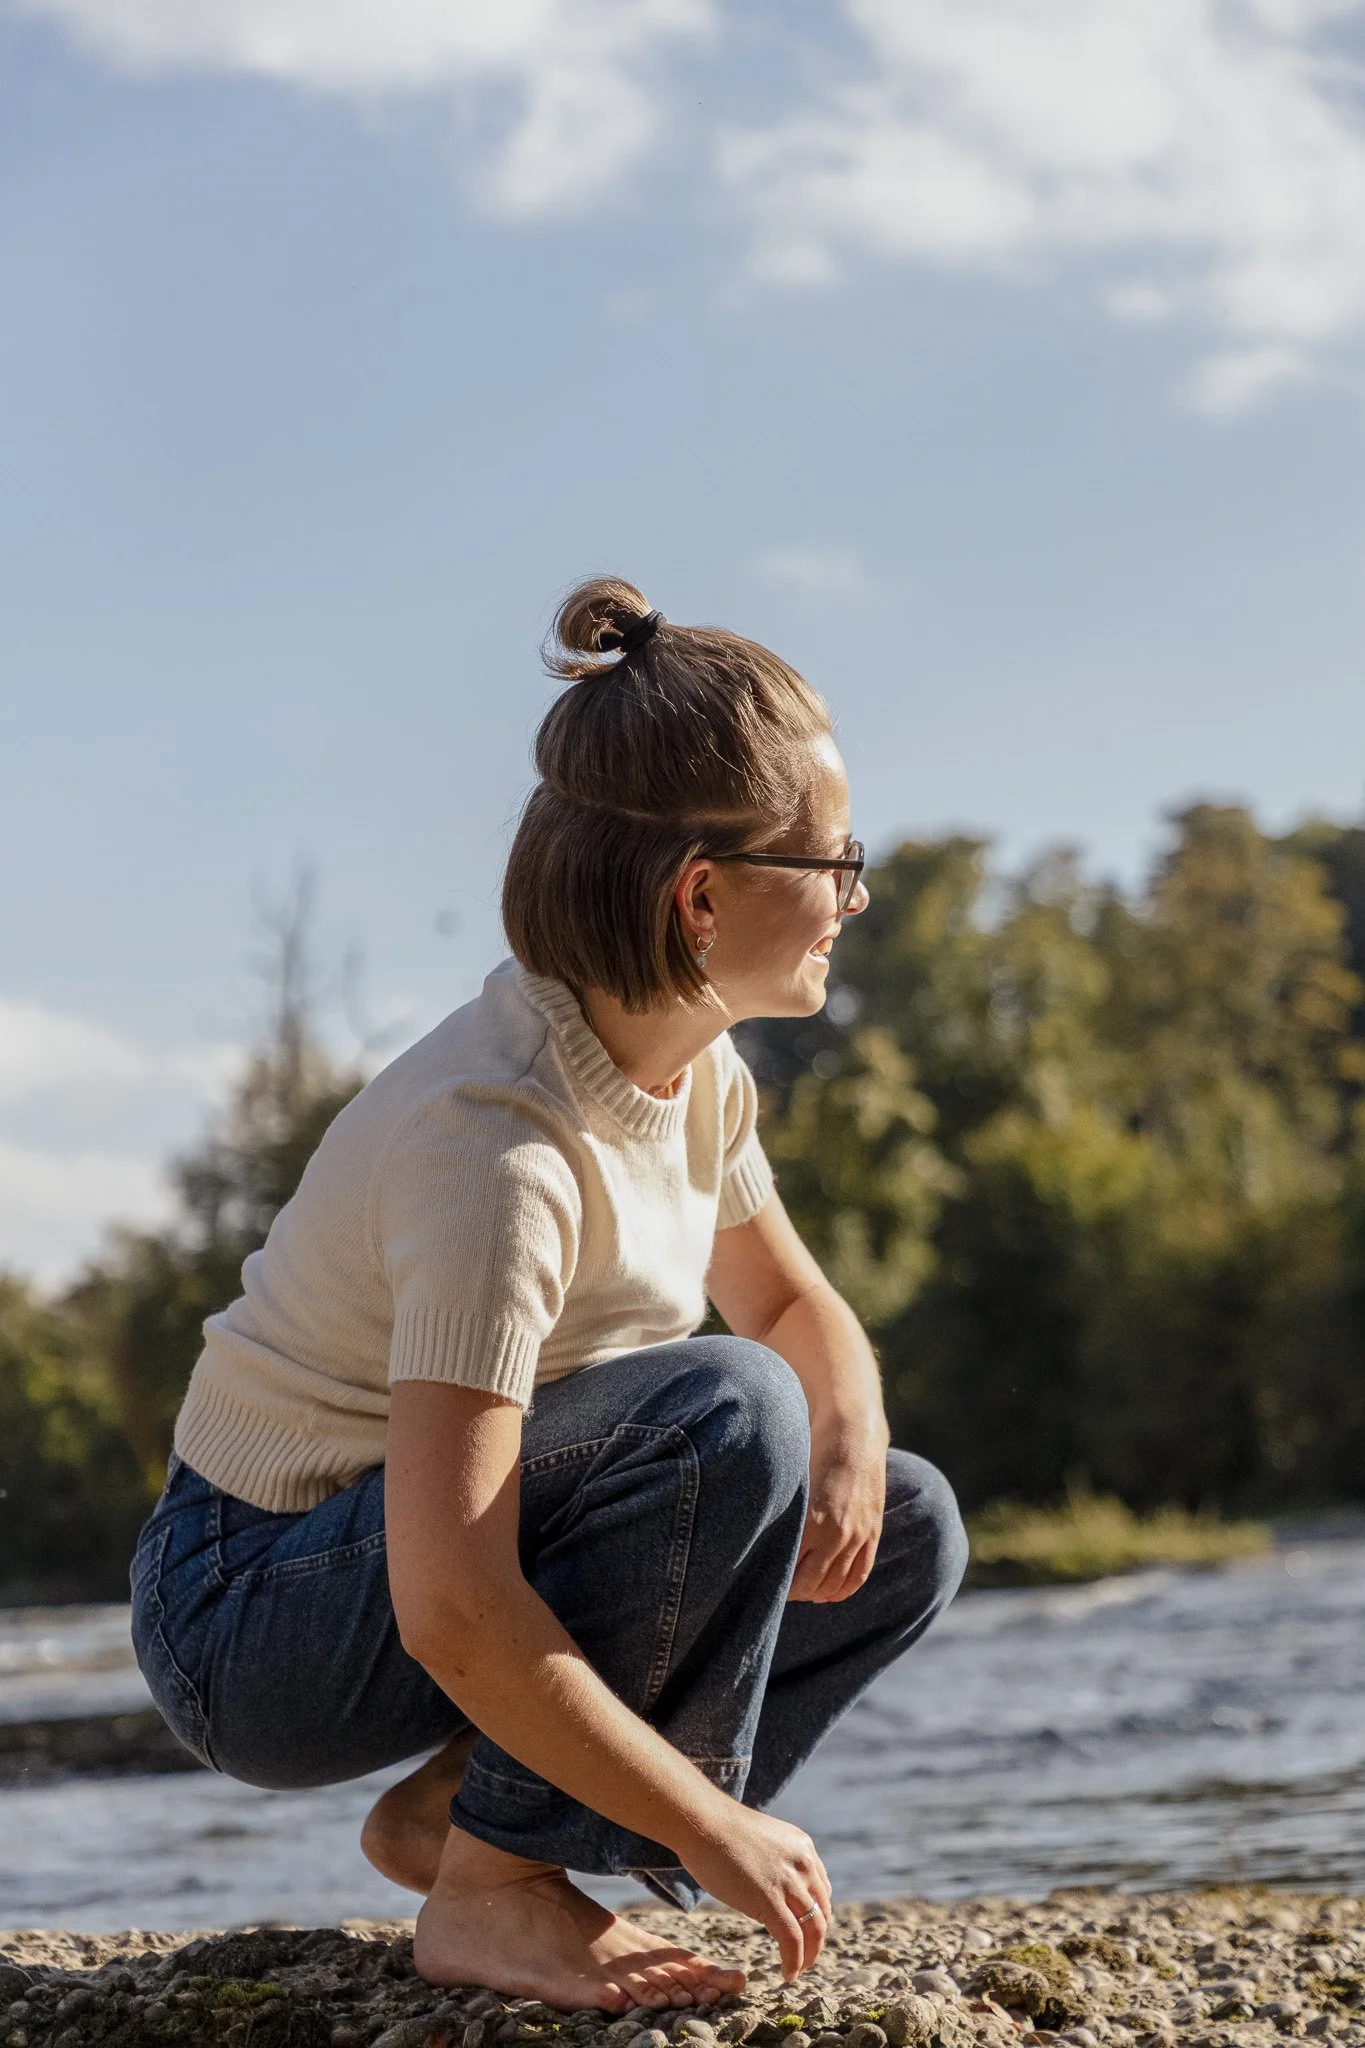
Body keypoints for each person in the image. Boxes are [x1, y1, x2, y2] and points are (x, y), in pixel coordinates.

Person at [130, 578, 968, 2015]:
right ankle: (501, 1892)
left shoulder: (697, 1080)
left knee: (901, 1521)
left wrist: (846, 1441)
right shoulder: (498, 1149)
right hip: (251, 1612)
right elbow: (453, 1604)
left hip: (403, 1571)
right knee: (727, 1413)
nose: (856, 894)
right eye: (836, 860)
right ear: (703, 896)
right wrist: (713, 1826)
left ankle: (467, 1825)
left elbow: (795, 1312)